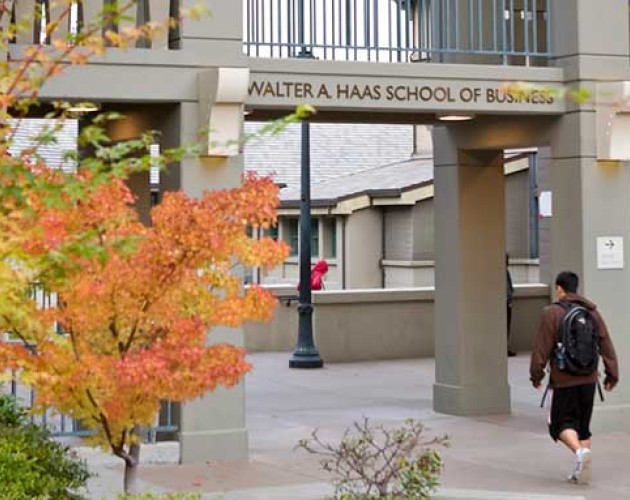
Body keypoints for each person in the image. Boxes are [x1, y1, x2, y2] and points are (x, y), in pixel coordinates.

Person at [529, 271, 619, 485]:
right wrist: (612, 374)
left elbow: (541, 349)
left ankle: (579, 452)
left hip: (564, 379)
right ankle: (581, 469)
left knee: (560, 424)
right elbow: (606, 344)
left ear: (559, 288)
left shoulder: (552, 313)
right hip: (589, 379)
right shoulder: (591, 312)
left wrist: (536, 375)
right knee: (583, 426)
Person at [506, 254, 516, 357]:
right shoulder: (502, 273)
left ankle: (506, 347)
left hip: (508, 303)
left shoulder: (506, 272)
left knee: (507, 327)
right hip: (504, 303)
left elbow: (510, 288)